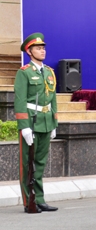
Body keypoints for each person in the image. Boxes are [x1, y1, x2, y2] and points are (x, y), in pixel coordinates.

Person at [14, 33, 59, 213]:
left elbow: (53, 99)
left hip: (46, 122)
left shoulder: (49, 72)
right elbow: (20, 100)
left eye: (43, 48)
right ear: (29, 52)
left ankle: (39, 199)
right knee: (27, 163)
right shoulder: (24, 72)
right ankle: (28, 201)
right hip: (31, 122)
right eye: (38, 48)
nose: (43, 50)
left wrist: (54, 123)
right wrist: (24, 126)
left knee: (40, 163)